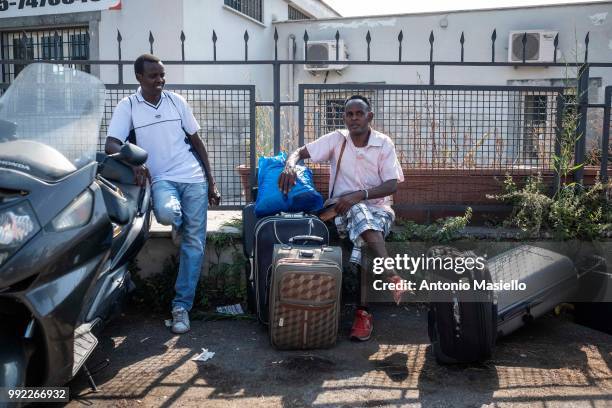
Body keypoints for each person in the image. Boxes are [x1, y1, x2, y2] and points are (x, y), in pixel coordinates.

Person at [105, 54, 221, 334]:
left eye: (162, 75)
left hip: (192, 176)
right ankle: (177, 226)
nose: (160, 80)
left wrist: (211, 181)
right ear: (139, 78)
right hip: (162, 179)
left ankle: (181, 307)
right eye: (153, 76)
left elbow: (196, 140)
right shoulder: (128, 106)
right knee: (168, 213)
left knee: (194, 244)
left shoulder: (176, 101)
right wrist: (134, 162)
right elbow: (111, 144)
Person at [278, 95, 406, 341]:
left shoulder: (383, 144)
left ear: (370, 117)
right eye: (349, 114)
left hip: (379, 212)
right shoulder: (336, 140)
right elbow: (299, 152)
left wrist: (360, 195)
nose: (354, 118)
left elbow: (392, 185)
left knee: (361, 221)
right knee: (357, 214)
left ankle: (366, 308)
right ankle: (379, 292)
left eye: (359, 113)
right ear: (344, 118)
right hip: (340, 213)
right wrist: (289, 165)